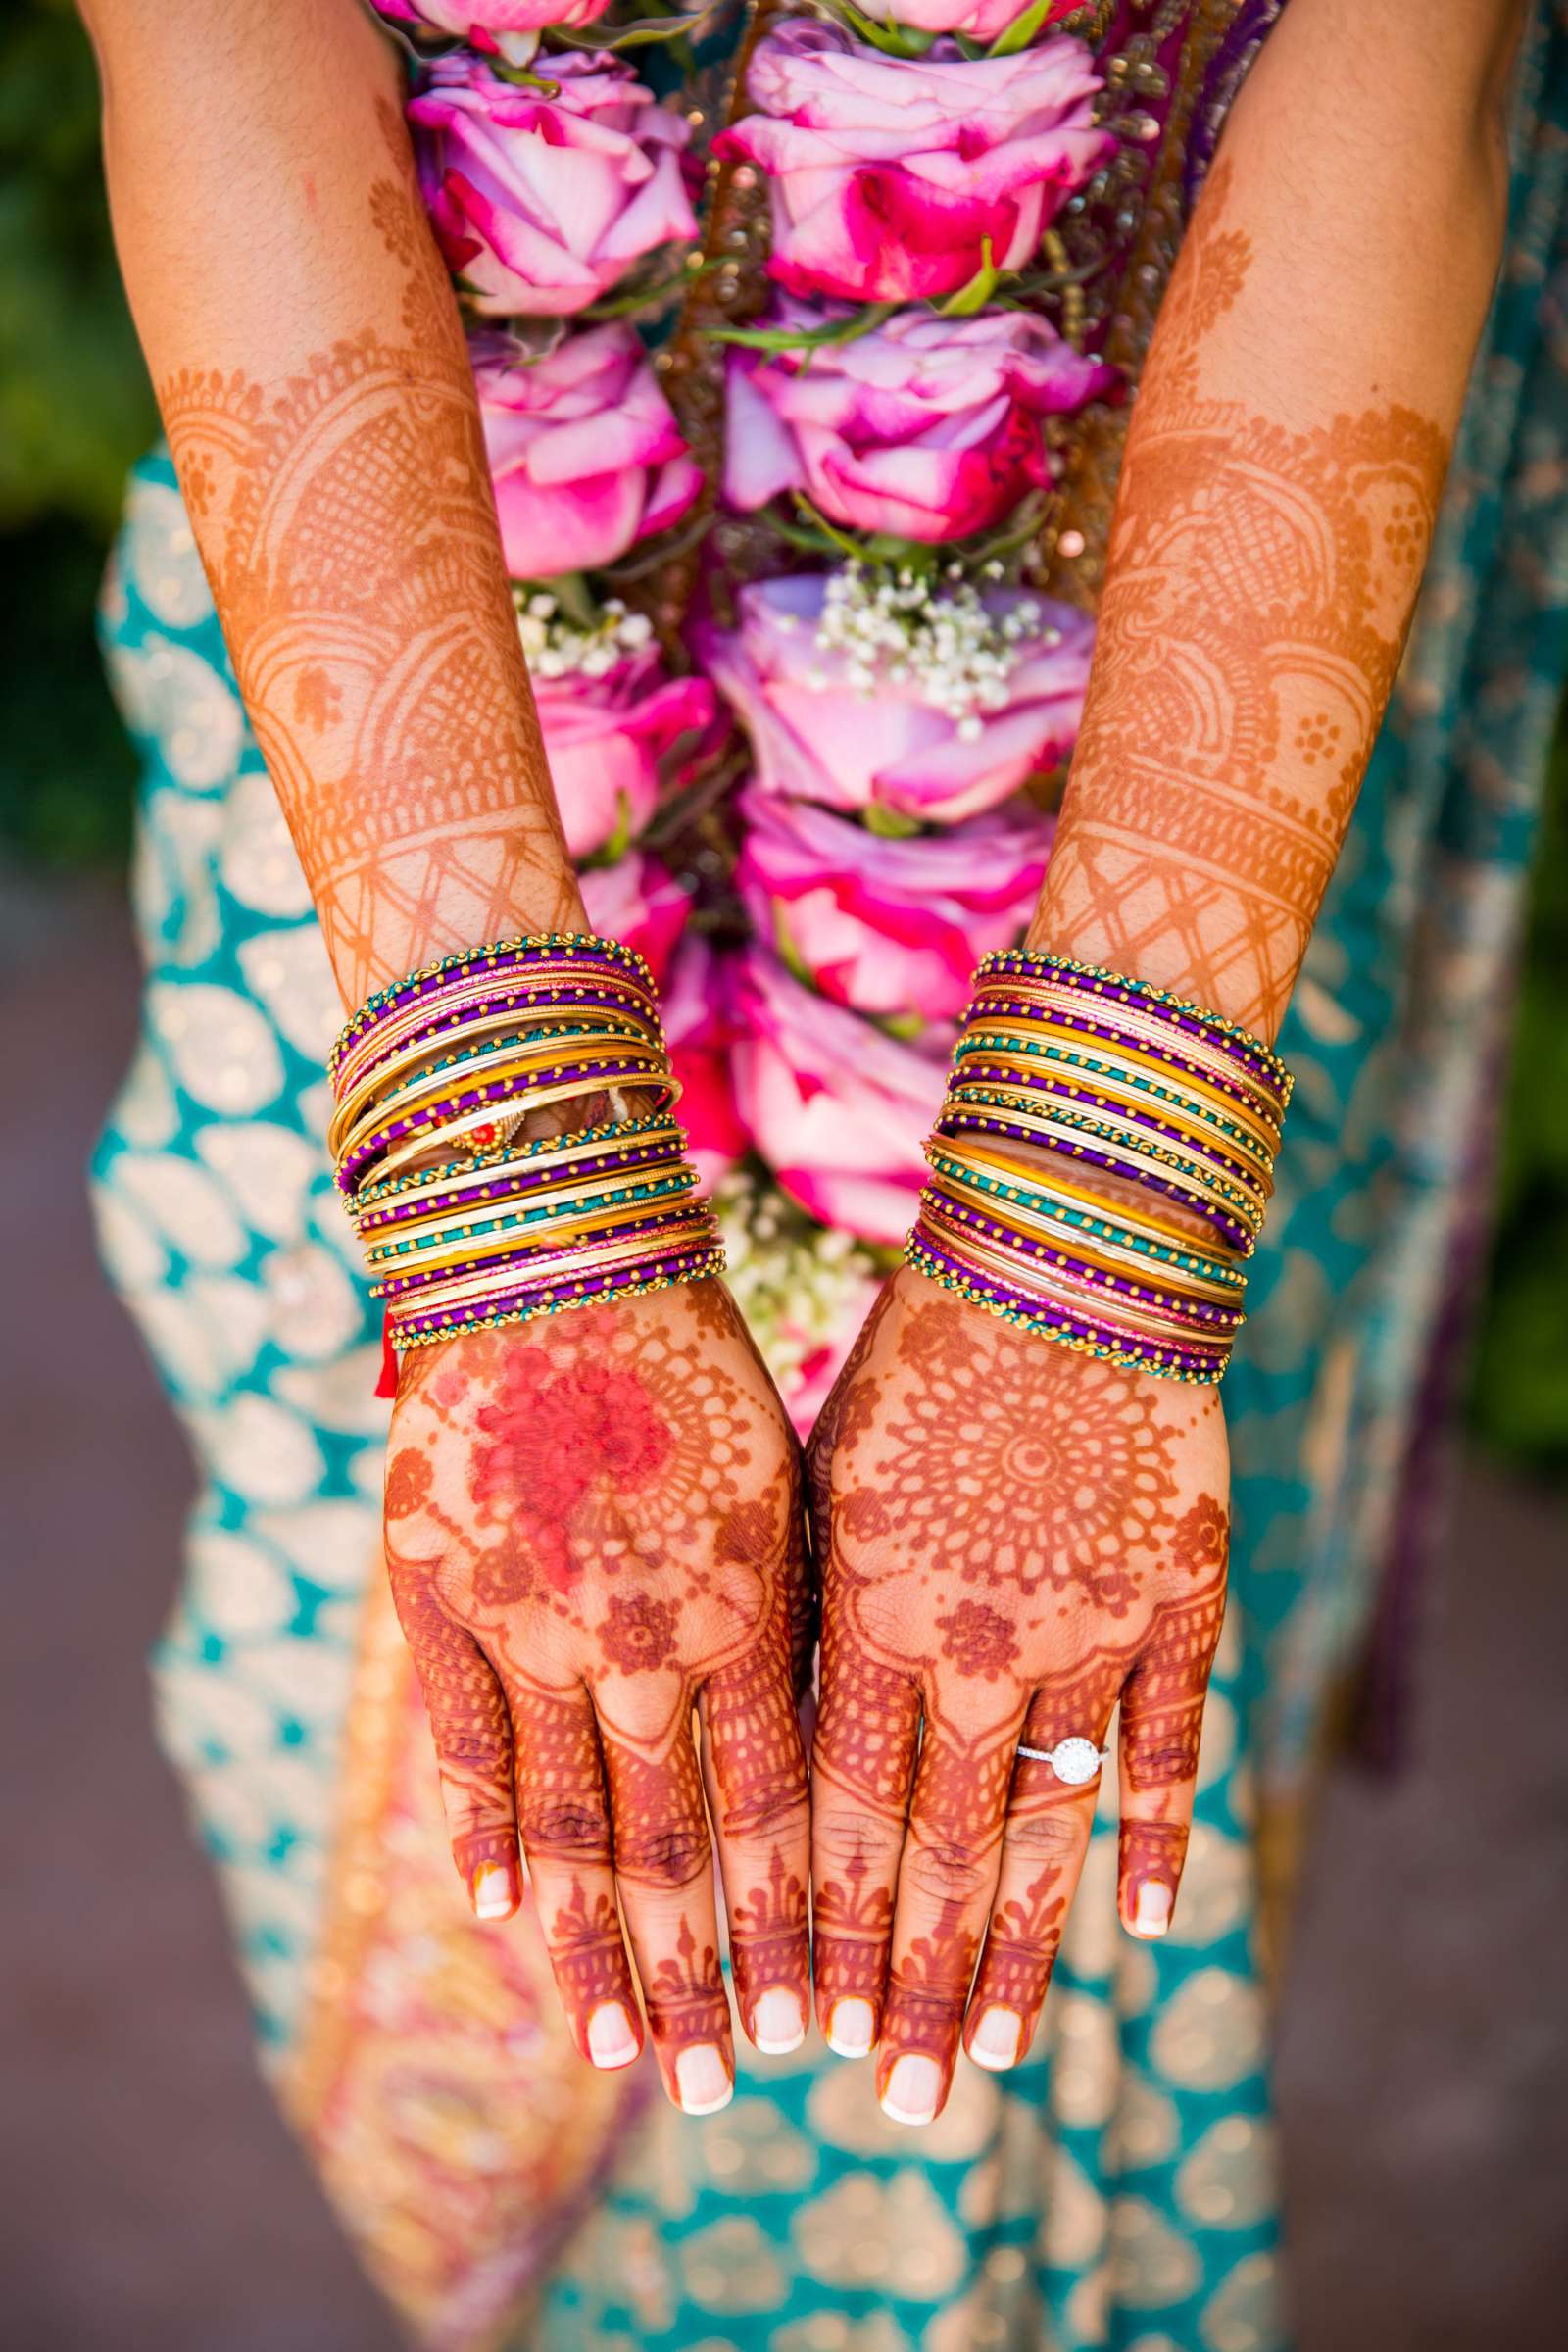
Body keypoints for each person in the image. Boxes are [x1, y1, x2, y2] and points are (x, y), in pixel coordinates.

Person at [80, 0, 1562, 2344]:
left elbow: (1407, 52)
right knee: (451, 1645)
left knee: (1045, 1684)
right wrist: (508, 1187)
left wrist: (1100, 1195)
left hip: (1194, 629)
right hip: (372, 677)